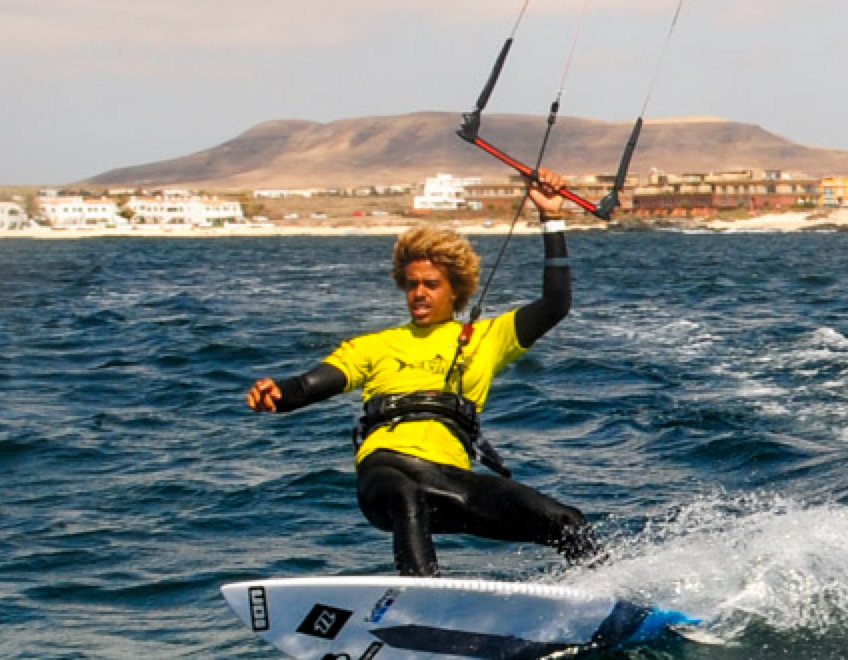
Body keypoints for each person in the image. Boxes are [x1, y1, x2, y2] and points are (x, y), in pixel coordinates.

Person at [246, 201, 599, 578]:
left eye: (431, 284)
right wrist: (278, 394)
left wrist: (550, 219)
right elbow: (309, 384)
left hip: (450, 479)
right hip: (384, 472)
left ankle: (613, 596)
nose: (419, 293)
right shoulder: (374, 345)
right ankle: (423, 599)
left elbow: (555, 305)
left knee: (567, 522)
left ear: (455, 290)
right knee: (405, 493)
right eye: (412, 284)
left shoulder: (487, 338)